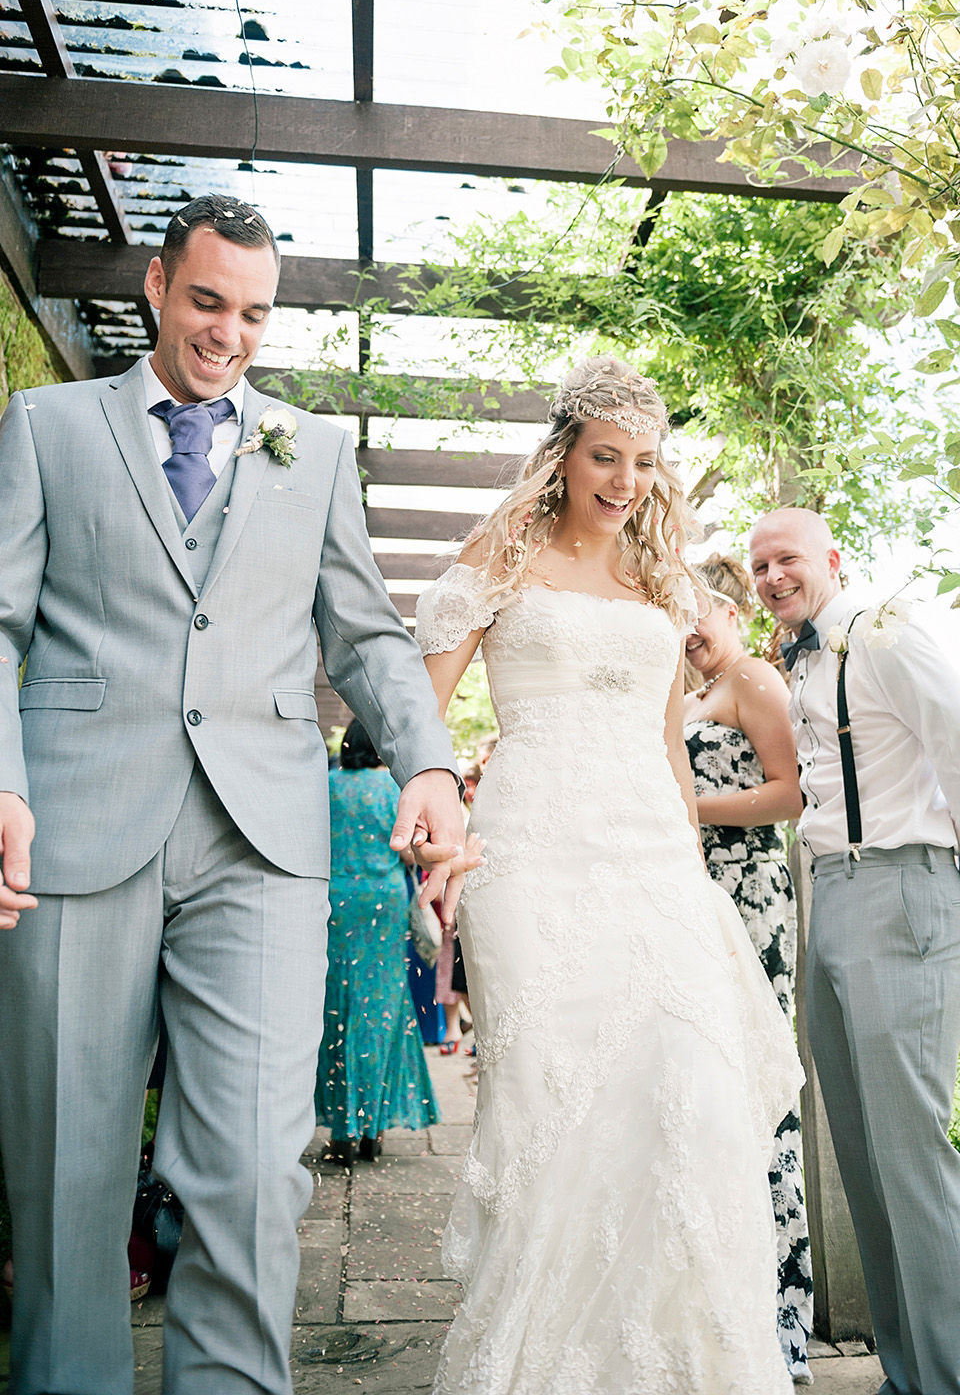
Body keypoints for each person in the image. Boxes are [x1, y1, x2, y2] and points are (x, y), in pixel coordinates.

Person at [0, 193, 467, 1395]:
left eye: (255, 313)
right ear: (157, 287)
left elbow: (364, 633)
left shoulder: (309, 451)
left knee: (257, 1176)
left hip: (262, 843)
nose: (229, 334)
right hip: (71, 830)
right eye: (207, 302)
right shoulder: (46, 425)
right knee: (69, 1178)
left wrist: (428, 759)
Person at [415, 354, 804, 1393]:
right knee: (554, 1121)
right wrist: (436, 823)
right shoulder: (504, 549)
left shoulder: (664, 576)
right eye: (606, 456)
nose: (625, 480)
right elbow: (423, 708)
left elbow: (667, 739)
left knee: (694, 1098)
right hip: (532, 854)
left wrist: (688, 863)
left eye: (642, 461)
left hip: (651, 861)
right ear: (564, 454)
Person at [749, 506, 960, 1395]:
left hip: (902, 884)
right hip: (827, 894)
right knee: (864, 1157)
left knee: (911, 1155)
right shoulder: (797, 662)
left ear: (831, 558)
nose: (771, 577)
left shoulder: (884, 635)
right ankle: (906, 1371)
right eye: (759, 566)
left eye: (786, 558)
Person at [682, 553, 813, 1383]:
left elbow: (792, 790)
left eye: (703, 612)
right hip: (692, 899)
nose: (691, 629)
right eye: (678, 614)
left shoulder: (754, 679)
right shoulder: (687, 695)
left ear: (735, 614)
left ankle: (783, 1318)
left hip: (752, 897)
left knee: (758, 1088)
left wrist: (685, 808)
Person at [315, 718, 441, 1165]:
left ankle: (341, 1127)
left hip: (336, 903)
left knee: (338, 1004)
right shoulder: (391, 789)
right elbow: (408, 851)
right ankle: (373, 1127)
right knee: (382, 1004)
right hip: (383, 904)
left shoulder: (326, 786)